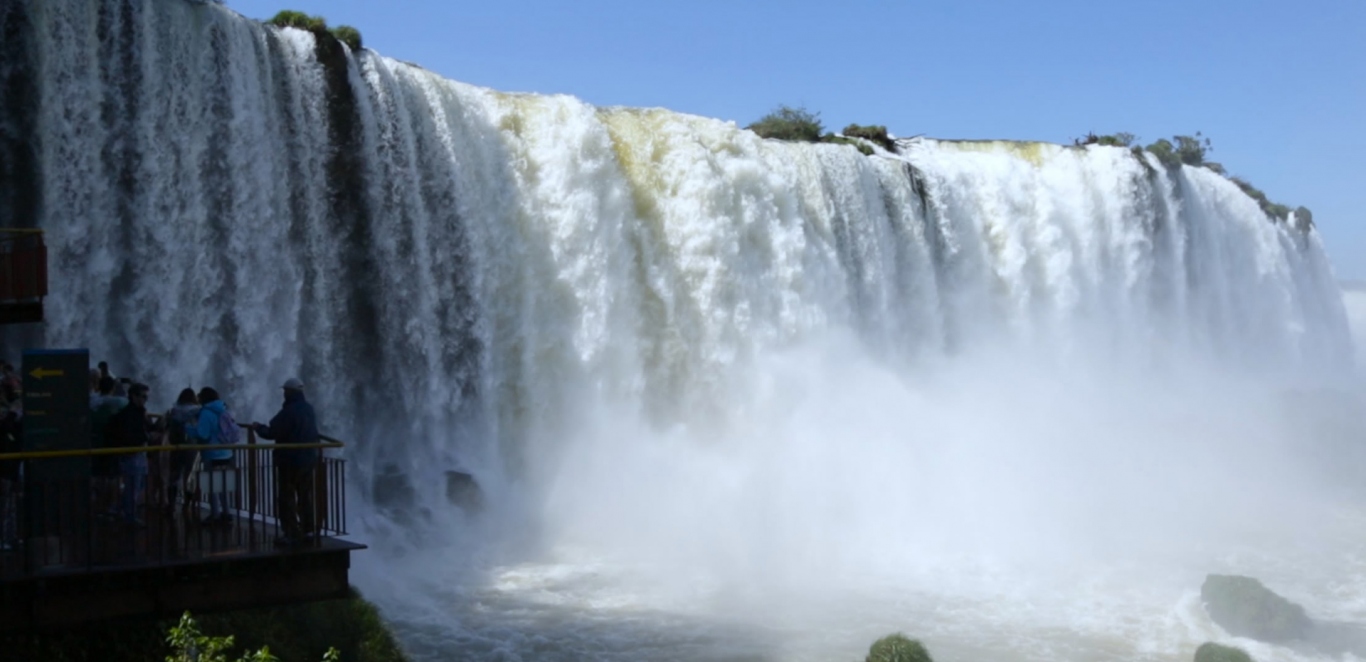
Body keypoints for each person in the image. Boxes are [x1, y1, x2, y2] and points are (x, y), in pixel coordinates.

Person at [252, 377, 318, 547]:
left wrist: (259, 428)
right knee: (305, 496)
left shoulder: (289, 411)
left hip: (290, 460)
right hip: (308, 459)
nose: (284, 393)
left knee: (286, 497)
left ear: (289, 392)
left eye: (285, 391)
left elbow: (273, 432)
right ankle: (309, 530)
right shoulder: (308, 408)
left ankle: (291, 533)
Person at [107, 383, 153, 525]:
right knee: (134, 486)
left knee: (139, 484)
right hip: (132, 454)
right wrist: (146, 437)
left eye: (146, 397)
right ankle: (129, 516)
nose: (145, 400)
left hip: (138, 453)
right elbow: (131, 435)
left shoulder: (138, 412)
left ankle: (118, 508)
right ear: (133, 396)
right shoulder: (130, 414)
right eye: (143, 396)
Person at [192, 387, 236, 524]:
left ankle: (215, 514)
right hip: (227, 453)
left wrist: (189, 429)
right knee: (224, 485)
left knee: (212, 486)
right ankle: (227, 513)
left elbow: (203, 434)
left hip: (212, 454)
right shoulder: (224, 409)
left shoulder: (206, 412)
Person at [90, 376, 127, 516]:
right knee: (113, 477)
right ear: (112, 388)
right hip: (112, 445)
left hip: (94, 444)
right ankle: (111, 506)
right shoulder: (119, 402)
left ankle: (96, 504)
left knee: (96, 476)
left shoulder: (92, 402)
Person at [163, 388, 200, 515]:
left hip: (176, 446)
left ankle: (171, 504)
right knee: (189, 477)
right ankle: (187, 505)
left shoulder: (174, 410)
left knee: (174, 475)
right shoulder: (197, 411)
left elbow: (166, 425)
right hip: (192, 447)